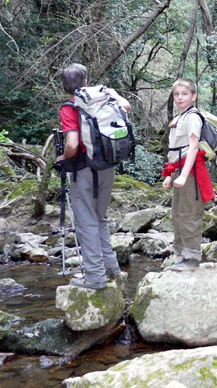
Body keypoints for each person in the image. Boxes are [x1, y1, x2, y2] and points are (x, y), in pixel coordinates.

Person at [56, 63, 130, 290]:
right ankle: (111, 267)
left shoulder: (69, 108)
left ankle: (95, 277)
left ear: (63, 86)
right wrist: (113, 93)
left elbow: (72, 144)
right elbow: (126, 106)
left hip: (83, 170)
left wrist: (62, 158)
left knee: (86, 222)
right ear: (86, 83)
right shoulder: (102, 102)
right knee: (100, 218)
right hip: (107, 166)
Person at [161, 78, 216, 271]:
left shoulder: (192, 117)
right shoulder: (178, 118)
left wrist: (183, 176)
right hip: (178, 169)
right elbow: (174, 150)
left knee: (189, 214)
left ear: (194, 96)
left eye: (184, 94)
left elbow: (192, 148)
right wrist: (170, 175)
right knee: (177, 214)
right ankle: (180, 256)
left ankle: (191, 258)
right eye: (177, 94)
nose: (180, 98)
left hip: (190, 171)